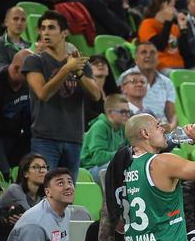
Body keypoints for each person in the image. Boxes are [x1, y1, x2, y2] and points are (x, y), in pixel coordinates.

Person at [22, 10, 101, 180]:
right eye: (42, 28)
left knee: (67, 191)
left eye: (51, 28)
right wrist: (66, 69)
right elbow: (43, 94)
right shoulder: (34, 61)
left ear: (64, 33)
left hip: (74, 138)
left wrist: (78, 73)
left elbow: (96, 95)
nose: (45, 32)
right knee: (44, 188)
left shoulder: (79, 64)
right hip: (45, 138)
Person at [7, 167, 75, 241]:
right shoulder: (35, 224)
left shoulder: (66, 212)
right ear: (48, 192)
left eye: (70, 182)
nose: (68, 186)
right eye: (60, 183)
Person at [118, 42, 178, 130]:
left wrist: (170, 127)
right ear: (135, 59)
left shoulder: (167, 82)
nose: (148, 55)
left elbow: (171, 114)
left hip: (162, 129)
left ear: (158, 58)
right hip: (137, 128)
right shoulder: (126, 78)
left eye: (152, 52)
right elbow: (120, 108)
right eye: (144, 52)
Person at [80, 93, 129, 178]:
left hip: (110, 165)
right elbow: (99, 158)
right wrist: (123, 155)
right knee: (116, 169)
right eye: (123, 112)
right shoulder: (100, 126)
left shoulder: (123, 127)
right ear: (110, 112)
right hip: (90, 169)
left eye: (128, 112)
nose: (127, 115)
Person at [138, 0, 188, 71]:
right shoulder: (147, 24)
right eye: (172, 6)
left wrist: (183, 29)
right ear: (164, 5)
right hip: (160, 68)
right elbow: (159, 46)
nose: (175, 10)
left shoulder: (174, 27)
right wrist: (168, 21)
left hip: (179, 67)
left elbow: (186, 56)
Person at [0, 7, 31, 71]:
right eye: (15, 19)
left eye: (23, 20)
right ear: (6, 22)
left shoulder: (30, 45)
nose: (19, 23)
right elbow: (1, 72)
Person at [83, 55, 116, 127]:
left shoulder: (113, 93)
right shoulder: (85, 91)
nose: (100, 64)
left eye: (103, 63)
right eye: (95, 63)